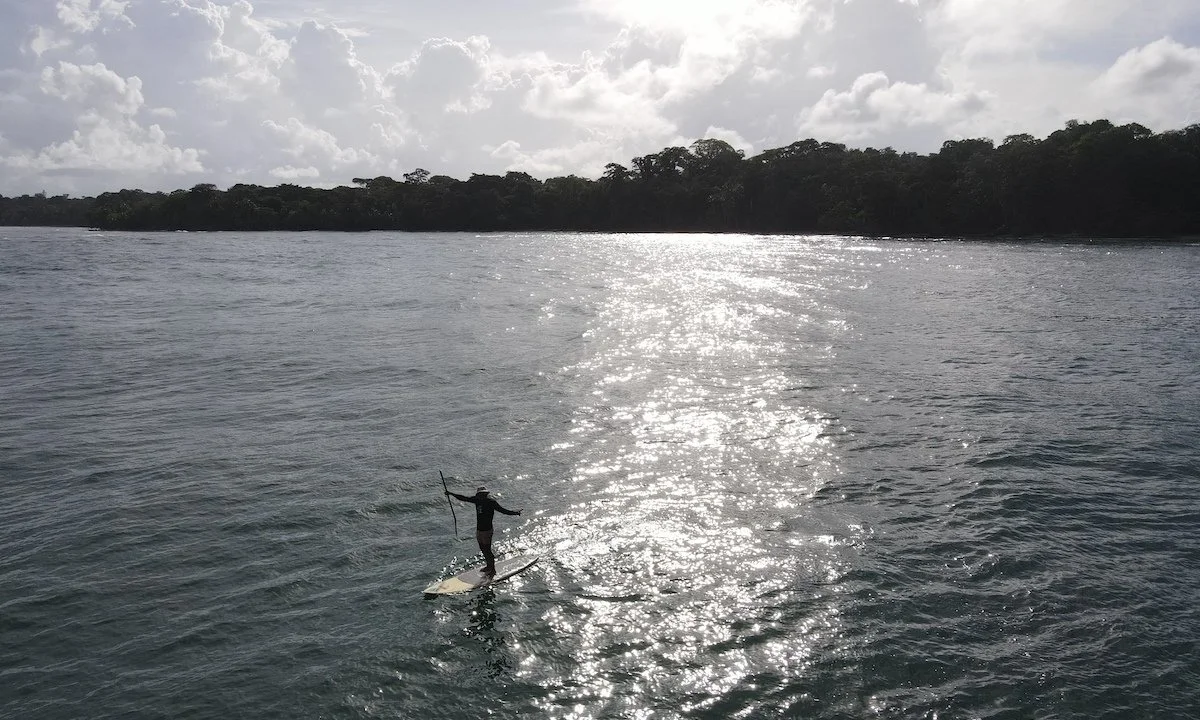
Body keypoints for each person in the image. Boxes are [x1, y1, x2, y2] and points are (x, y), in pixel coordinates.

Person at [446, 485, 522, 577]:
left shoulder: (491, 502)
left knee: (487, 550)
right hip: (479, 530)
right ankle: (488, 566)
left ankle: (492, 569)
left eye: (484, 494)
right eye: (480, 494)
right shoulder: (476, 500)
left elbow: (503, 511)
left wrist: (515, 512)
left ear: (486, 494)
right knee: (483, 548)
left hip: (487, 530)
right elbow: (464, 498)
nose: (482, 496)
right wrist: (451, 494)